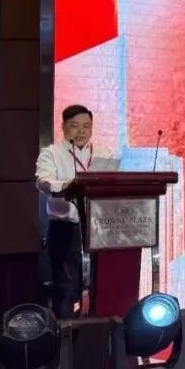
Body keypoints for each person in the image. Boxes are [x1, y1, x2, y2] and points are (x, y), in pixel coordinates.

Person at [35, 105, 113, 318]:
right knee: (66, 288)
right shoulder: (51, 153)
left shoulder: (104, 153)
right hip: (65, 229)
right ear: (63, 127)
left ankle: (96, 332)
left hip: (98, 229)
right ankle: (65, 334)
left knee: (98, 286)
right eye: (75, 126)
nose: (81, 131)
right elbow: (42, 181)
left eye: (86, 126)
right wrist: (67, 185)